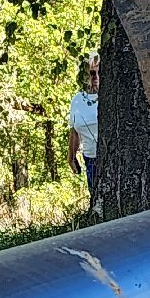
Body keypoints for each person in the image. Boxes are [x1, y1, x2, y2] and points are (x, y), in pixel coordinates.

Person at [68, 52, 100, 200]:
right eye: (92, 73)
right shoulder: (77, 100)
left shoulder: (109, 97)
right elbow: (74, 131)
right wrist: (71, 157)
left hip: (112, 155)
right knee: (96, 199)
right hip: (91, 158)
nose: (96, 77)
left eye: (100, 72)